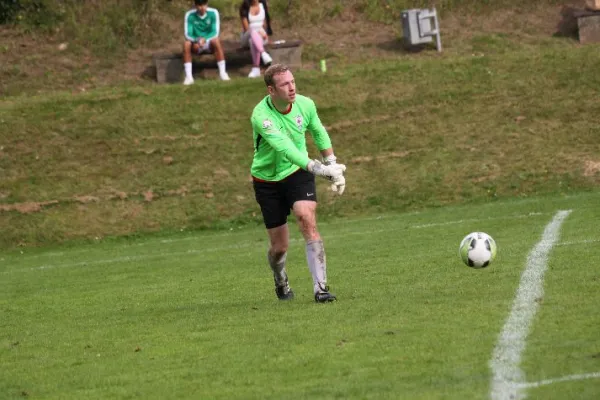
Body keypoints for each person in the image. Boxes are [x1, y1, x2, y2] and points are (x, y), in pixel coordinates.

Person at [249, 64, 347, 303]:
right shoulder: (261, 116)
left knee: (306, 217)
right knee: (279, 247)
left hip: (296, 173)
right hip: (267, 180)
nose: (292, 87)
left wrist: (332, 163)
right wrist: (321, 170)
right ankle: (280, 279)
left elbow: (318, 131)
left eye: (292, 81)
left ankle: (320, 289)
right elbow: (286, 149)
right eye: (284, 84)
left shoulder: (306, 104)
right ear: (271, 90)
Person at [183, 0, 230, 85]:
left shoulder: (213, 12)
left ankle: (223, 73)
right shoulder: (189, 15)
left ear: (207, 4)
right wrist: (197, 40)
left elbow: (215, 32)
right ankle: (189, 77)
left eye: (204, 5)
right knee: (186, 44)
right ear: (195, 5)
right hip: (196, 44)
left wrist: (205, 39)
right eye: (199, 5)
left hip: (209, 43)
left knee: (216, 41)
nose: (202, 8)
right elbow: (188, 34)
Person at [239, 0, 273, 78]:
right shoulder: (244, 7)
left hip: (261, 37)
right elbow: (247, 28)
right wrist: (258, 31)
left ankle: (256, 69)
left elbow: (265, 24)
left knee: (253, 41)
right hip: (247, 35)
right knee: (252, 33)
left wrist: (264, 32)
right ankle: (263, 53)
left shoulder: (263, 5)